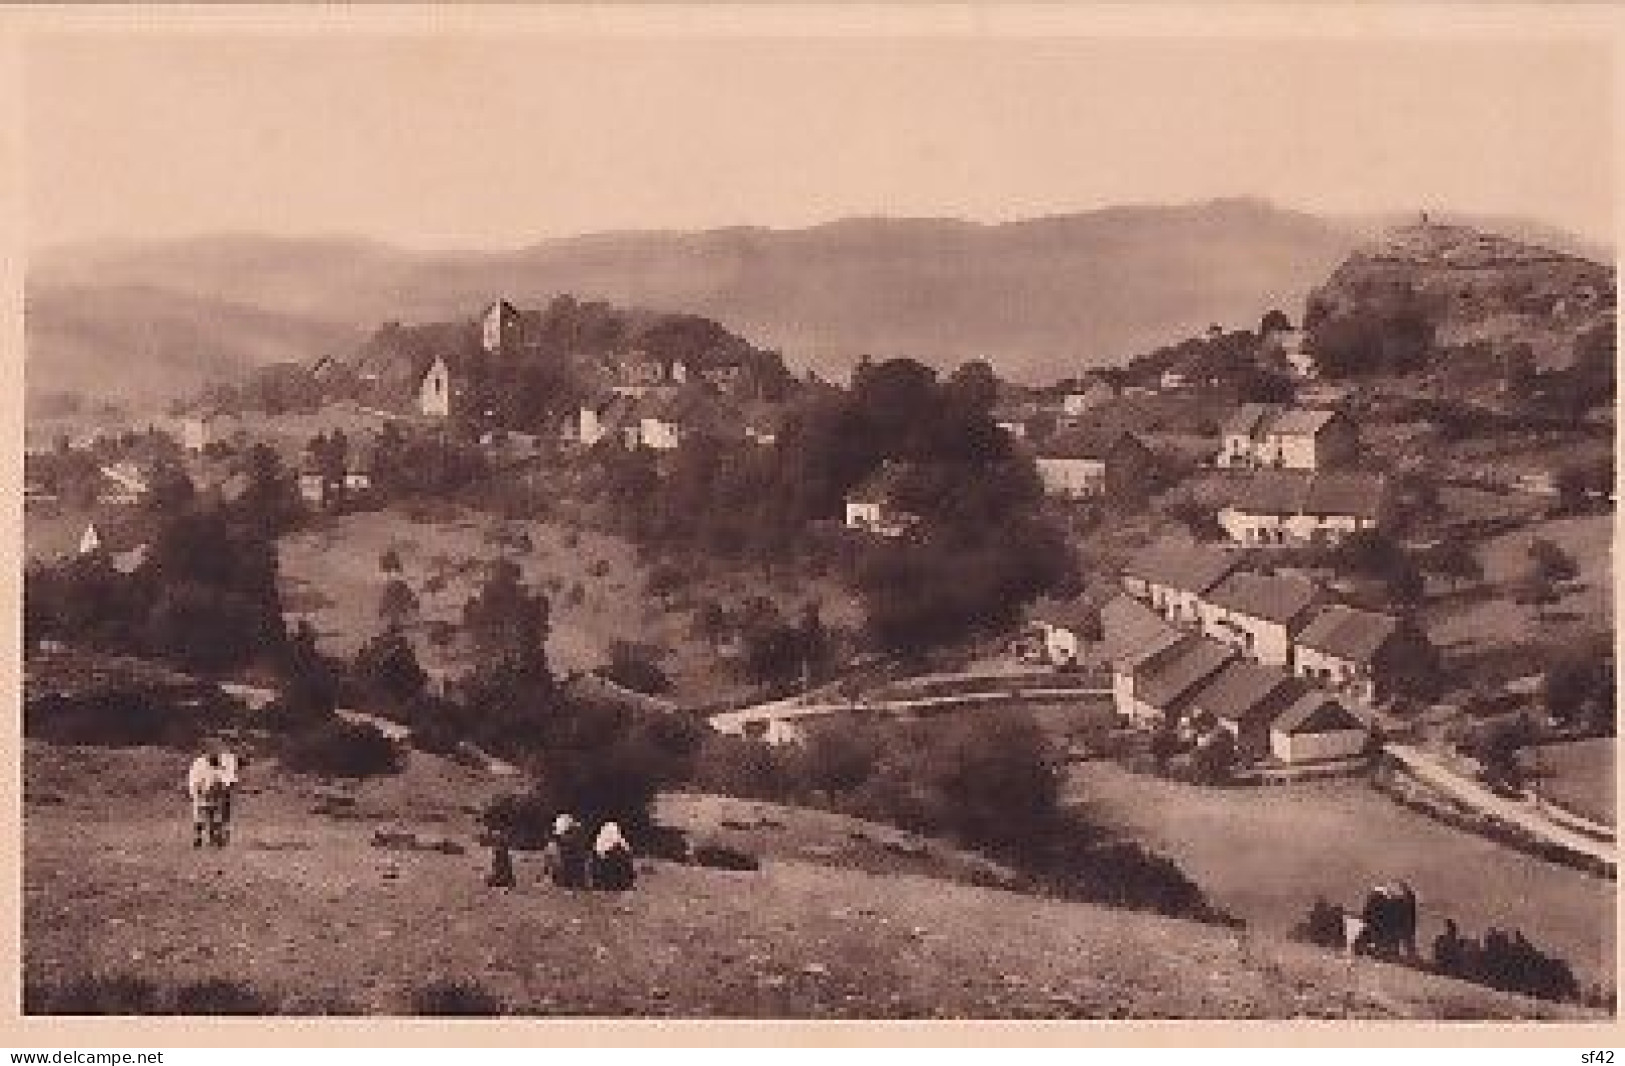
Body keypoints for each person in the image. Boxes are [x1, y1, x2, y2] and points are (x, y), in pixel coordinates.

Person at [186, 752, 228, 848]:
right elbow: (194, 782)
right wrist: (197, 793)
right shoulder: (199, 767)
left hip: (213, 798)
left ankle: (212, 838)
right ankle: (198, 838)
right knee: (199, 818)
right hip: (202, 797)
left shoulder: (218, 769)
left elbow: (222, 783)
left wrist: (221, 793)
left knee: (212, 818)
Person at [541, 813, 587, 889]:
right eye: (570, 832)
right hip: (563, 878)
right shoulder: (553, 848)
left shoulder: (577, 848)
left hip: (567, 878)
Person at [588, 820, 635, 891]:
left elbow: (626, 851)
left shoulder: (620, 844)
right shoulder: (602, 843)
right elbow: (599, 853)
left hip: (612, 857)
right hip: (605, 858)